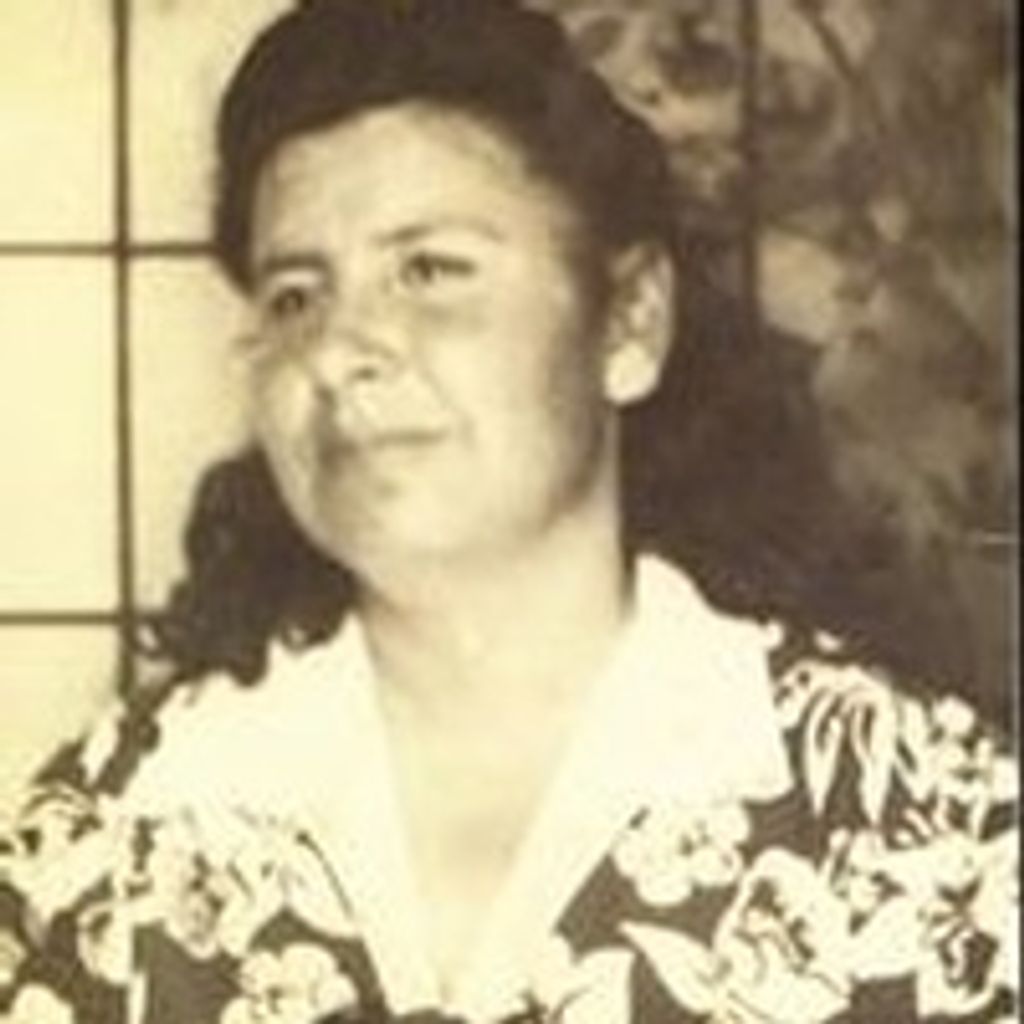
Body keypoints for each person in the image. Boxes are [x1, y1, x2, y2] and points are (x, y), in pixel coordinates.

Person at [0, 1, 1016, 1022]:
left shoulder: (919, 813)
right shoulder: (112, 824)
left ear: (629, 322)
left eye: (428, 271)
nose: (339, 351)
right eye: (295, 295)